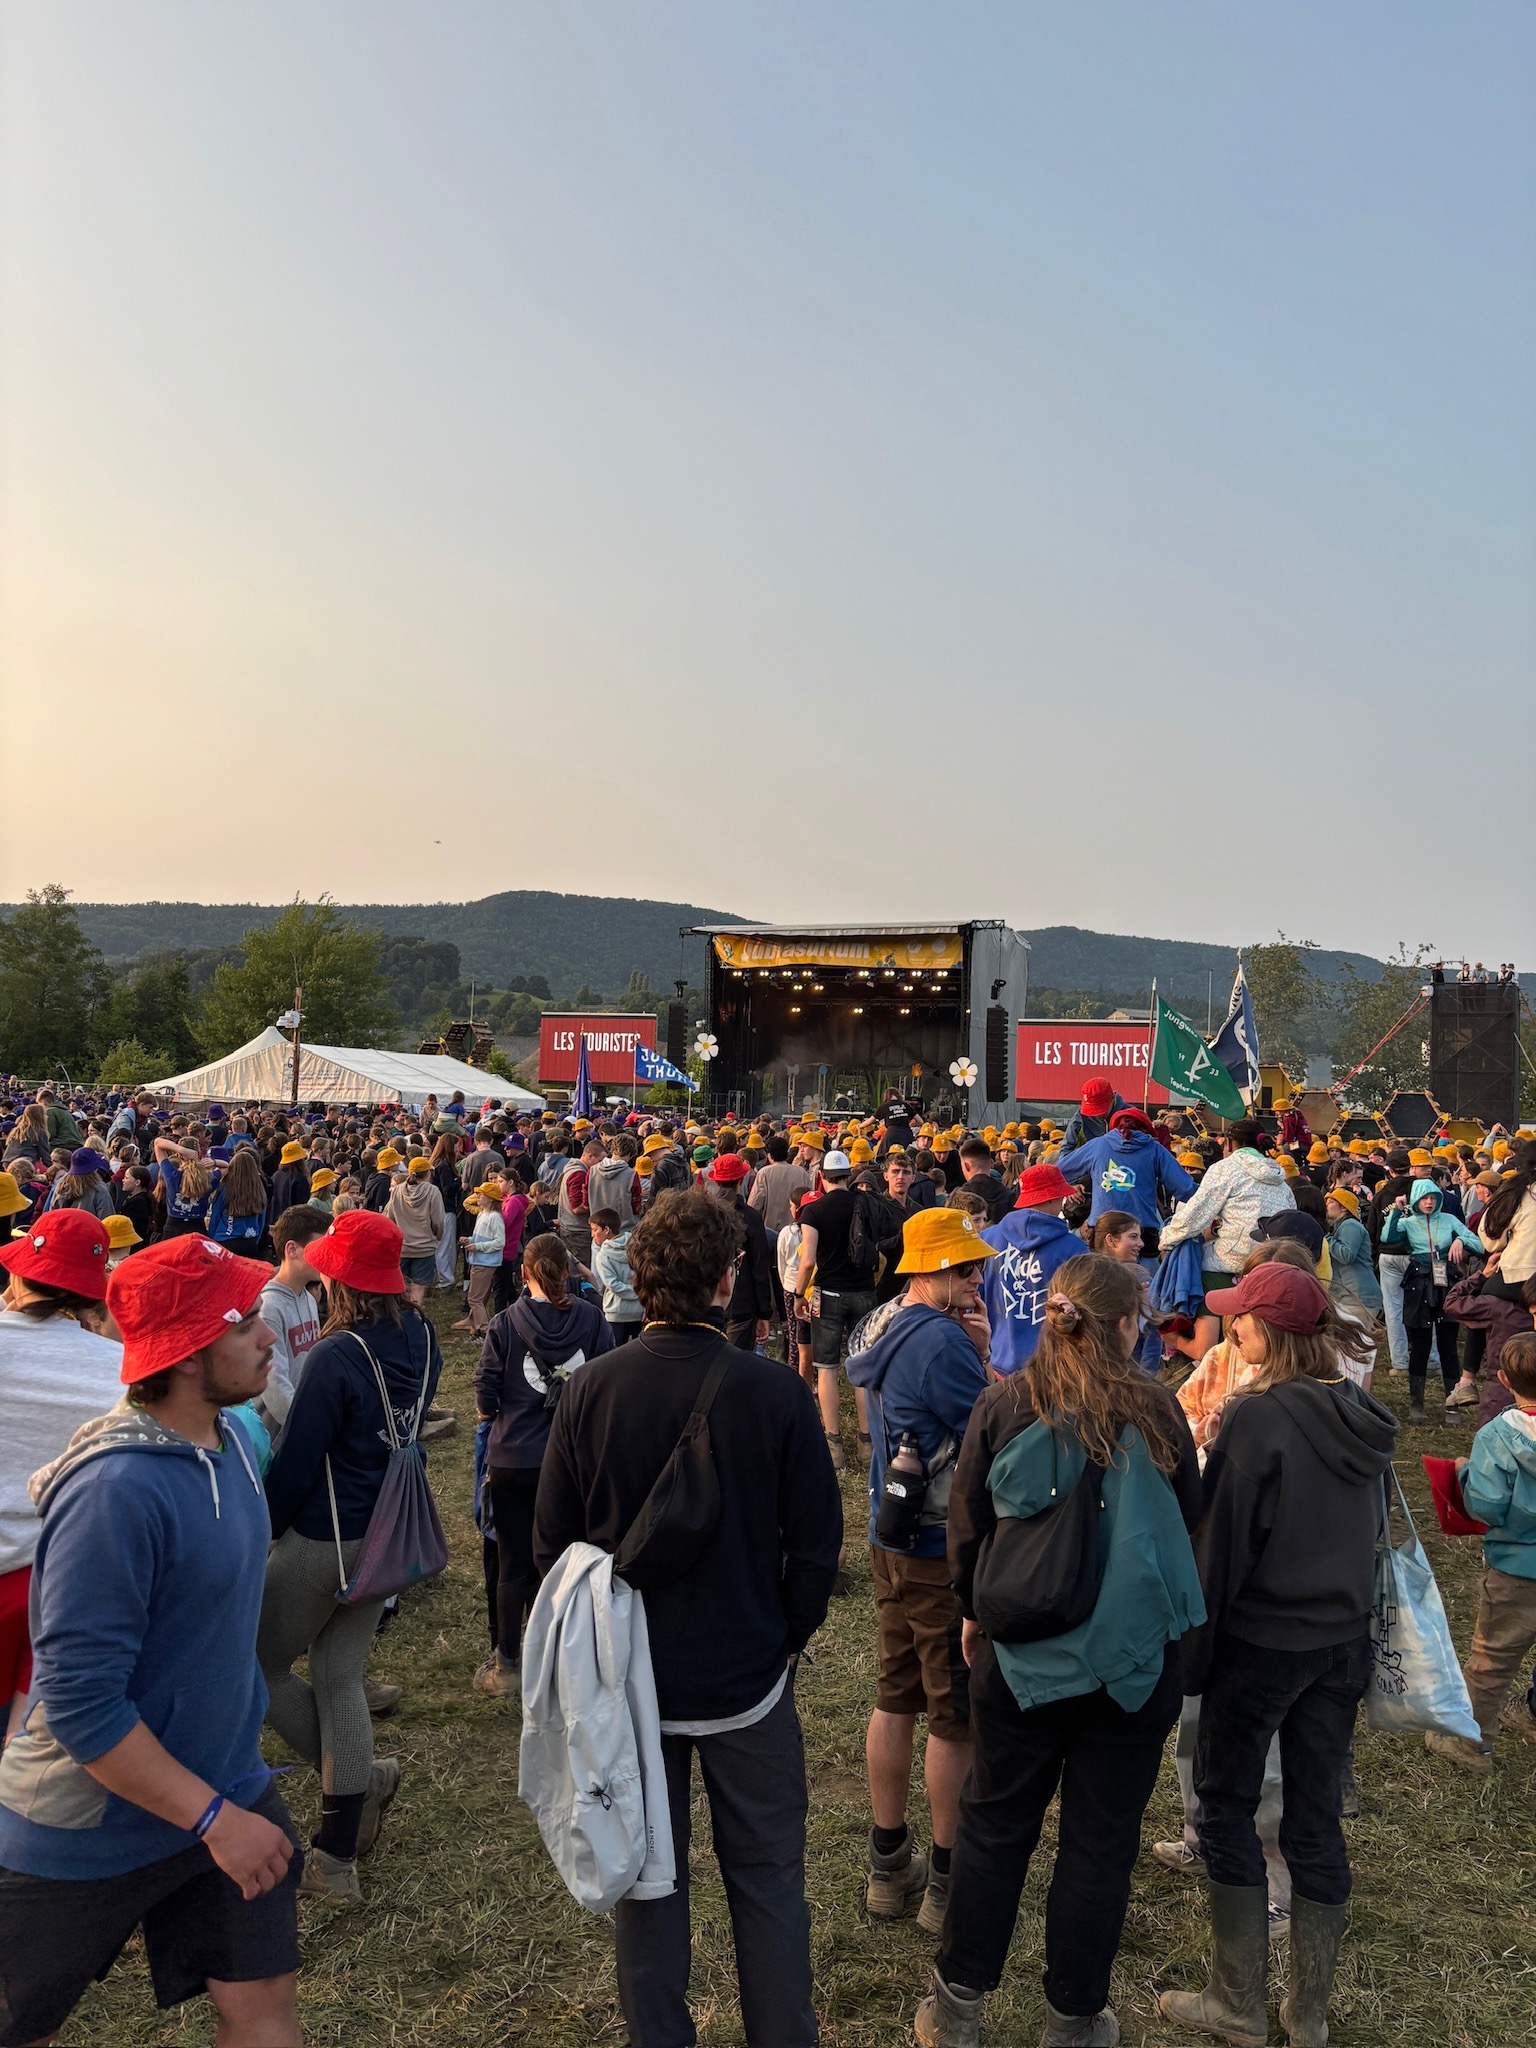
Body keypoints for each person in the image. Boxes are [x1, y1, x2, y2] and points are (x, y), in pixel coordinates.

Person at [533, 1188, 841, 2048]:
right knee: (769, 1881)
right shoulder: (776, 1392)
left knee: (646, 1880)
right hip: (747, 1673)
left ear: (636, 1278)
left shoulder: (592, 1390)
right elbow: (817, 1544)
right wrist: (786, 1636)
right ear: (726, 1278)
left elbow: (552, 1545)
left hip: (628, 1680)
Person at [0, 1234, 301, 2048]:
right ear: (190, 1352)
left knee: (264, 2008)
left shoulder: (234, 1442)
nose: (268, 1335)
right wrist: (214, 1820)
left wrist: (224, 1805)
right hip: (82, 1826)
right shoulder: (114, 1490)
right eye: (244, 1323)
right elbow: (81, 1705)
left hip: (224, 1784)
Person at [916, 1254, 1203, 2048]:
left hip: (1022, 1655)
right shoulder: (1160, 1410)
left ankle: (957, 2007)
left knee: (994, 1823)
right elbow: (1190, 1517)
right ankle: (1075, 2018)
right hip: (1131, 1665)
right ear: (1125, 1325)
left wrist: (972, 1608)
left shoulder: (1004, 1402)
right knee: (1100, 1842)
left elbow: (967, 1523)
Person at [1160, 1262, 1397, 2048]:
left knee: (1225, 1804)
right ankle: (1308, 2013)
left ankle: (1238, 2001)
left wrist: (1191, 1659)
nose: (1232, 1328)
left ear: (1266, 1330)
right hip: (1341, 1640)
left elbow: (1221, 1549)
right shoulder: (1360, 1410)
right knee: (1315, 1814)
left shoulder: (1258, 1419)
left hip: (1263, 1642)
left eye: (1240, 1318)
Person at [258, 1210, 441, 1903]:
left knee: (256, 1666)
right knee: (339, 1677)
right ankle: (337, 1853)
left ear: (340, 1278)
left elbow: (297, 1458)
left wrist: (263, 1528)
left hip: (326, 1536)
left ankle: (353, 1800)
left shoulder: (337, 1354)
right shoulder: (422, 1333)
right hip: (388, 1531)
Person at [845, 1208, 996, 1942]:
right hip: (938, 1542)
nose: (977, 1279)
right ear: (931, 1269)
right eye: (965, 1268)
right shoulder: (941, 1340)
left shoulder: (878, 1325)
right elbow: (989, 1429)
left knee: (894, 1693)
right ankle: (945, 1876)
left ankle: (887, 1862)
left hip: (889, 1530)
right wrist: (985, 1356)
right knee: (952, 1717)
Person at [0, 1212, 125, 1743]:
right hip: (63, 1583)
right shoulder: (120, 1368)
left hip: (36, 1575)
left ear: (19, 1275)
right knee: (26, 1755)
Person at [473, 1233, 611, 1698]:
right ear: (568, 1271)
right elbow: (605, 1381)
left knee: (512, 1563)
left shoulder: (504, 1324)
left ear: (524, 1273)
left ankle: (508, 1666)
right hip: (571, 1461)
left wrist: (496, 1415)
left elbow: (486, 1393)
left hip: (514, 1458)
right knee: (569, 1562)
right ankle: (564, 1661)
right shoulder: (592, 1319)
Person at [1157, 1121, 1294, 1365]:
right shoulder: (1281, 1181)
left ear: (1229, 1143)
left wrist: (1166, 1239)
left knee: (1189, 1258)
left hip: (1229, 1262)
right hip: (1270, 1264)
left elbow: (1196, 1214)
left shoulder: (1226, 1168)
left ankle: (1178, 1342)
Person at [793, 1148, 878, 1471]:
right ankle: (866, 1443)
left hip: (828, 1293)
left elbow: (807, 1261)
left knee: (826, 1368)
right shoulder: (865, 1204)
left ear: (822, 1177)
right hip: (864, 1292)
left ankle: (834, 1445)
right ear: (848, 1175)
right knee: (862, 1368)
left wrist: (799, 1294)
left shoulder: (813, 1211)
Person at [1379, 1177, 1484, 1422]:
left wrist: (1460, 1240)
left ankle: (1452, 1405)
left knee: (1448, 1345)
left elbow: (1478, 1244)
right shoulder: (1407, 1222)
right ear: (1416, 1199)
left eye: (1433, 1198)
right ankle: (1416, 1404)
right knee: (1420, 1345)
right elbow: (1388, 1238)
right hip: (1418, 1283)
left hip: (1446, 1282)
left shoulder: (1448, 1220)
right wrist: (1396, 1210)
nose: (1429, 1202)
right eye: (1424, 1198)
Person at [978, 1163, 1083, 1375]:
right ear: (1052, 1198)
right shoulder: (1075, 1248)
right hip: (1053, 1368)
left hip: (996, 1364)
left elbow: (974, 1301)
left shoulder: (986, 1239)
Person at [1054, 1106, 1197, 1251]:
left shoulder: (1097, 1145)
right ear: (1145, 1129)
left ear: (1115, 1127)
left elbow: (1056, 1171)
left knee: (1101, 1266)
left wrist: (1070, 1187)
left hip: (1103, 1229)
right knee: (1145, 1267)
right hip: (1142, 1231)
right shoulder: (1155, 1149)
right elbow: (1186, 1190)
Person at [255, 1205, 329, 1430]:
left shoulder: (308, 1299)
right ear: (292, 1249)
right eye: (320, 1248)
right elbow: (275, 1384)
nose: (326, 1257)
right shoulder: (268, 1306)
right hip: (277, 1433)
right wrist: (310, 1427)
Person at [706, 1152, 775, 1350]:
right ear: (741, 1179)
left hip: (709, 1300)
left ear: (716, 1181)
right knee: (737, 1361)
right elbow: (760, 1267)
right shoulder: (751, 1217)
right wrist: (764, 1312)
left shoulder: (704, 1214)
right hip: (742, 1302)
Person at [385, 1155, 445, 1307]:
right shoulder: (433, 1192)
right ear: (427, 1174)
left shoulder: (397, 1191)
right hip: (425, 1247)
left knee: (401, 1286)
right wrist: (438, 1235)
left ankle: (400, 1313)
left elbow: (390, 1218)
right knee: (419, 1287)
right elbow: (438, 1221)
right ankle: (415, 1315)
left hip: (402, 1247)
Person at [589, 1207, 642, 1343]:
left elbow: (612, 1284)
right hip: (639, 1309)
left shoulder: (602, 1256)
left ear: (606, 1230)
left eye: (595, 1230)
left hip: (616, 1312)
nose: (592, 1235)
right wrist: (640, 1293)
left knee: (615, 1351)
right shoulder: (637, 1248)